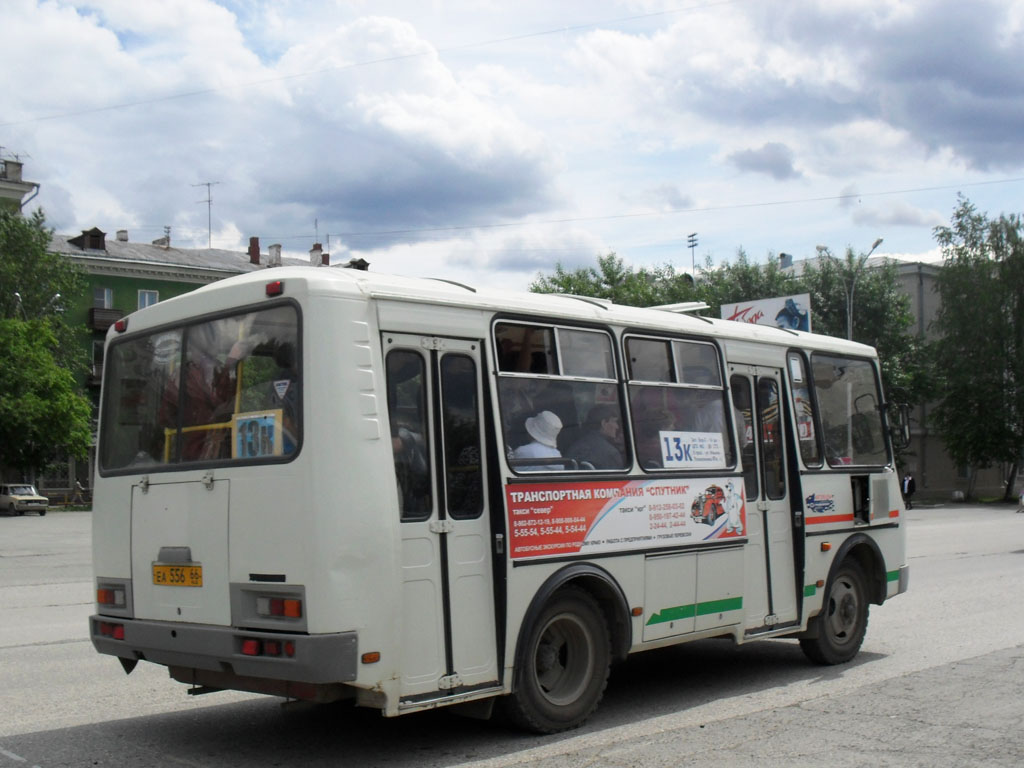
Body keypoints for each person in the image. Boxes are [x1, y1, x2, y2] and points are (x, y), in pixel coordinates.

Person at [566, 404, 624, 470]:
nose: (617, 427)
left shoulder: (574, 447)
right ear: (604, 423)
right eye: (614, 421)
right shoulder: (611, 453)